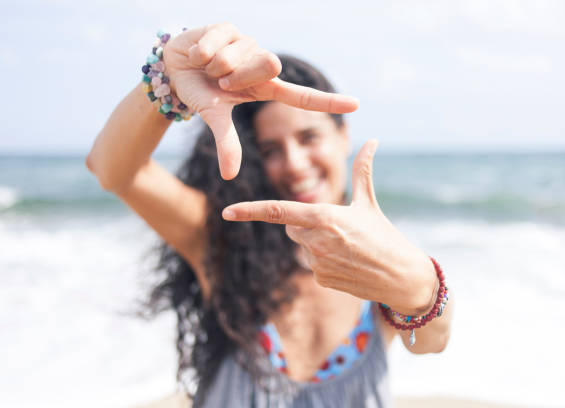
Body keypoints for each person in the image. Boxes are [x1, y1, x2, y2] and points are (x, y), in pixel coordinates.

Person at [86, 23, 453, 407]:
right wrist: (168, 82)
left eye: (308, 138)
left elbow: (432, 342)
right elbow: (112, 169)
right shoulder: (221, 242)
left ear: (343, 136)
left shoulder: (375, 258)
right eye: (271, 150)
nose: (294, 164)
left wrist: (423, 289)